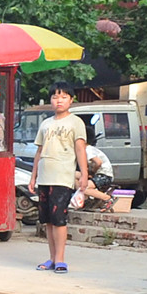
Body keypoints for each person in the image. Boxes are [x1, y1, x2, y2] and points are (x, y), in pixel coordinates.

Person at [30, 82, 89, 273]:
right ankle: (52, 258)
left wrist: (84, 175)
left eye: (63, 97)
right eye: (55, 97)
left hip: (62, 177)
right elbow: (39, 152)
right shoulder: (46, 124)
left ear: (71, 100)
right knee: (47, 220)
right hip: (44, 178)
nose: (59, 101)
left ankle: (61, 259)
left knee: (59, 219)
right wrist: (33, 177)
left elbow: (80, 149)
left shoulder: (75, 122)